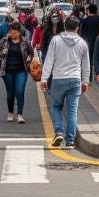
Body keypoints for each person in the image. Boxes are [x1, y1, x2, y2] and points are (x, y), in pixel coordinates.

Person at [41, 15, 91, 149]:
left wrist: (44, 78)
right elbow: (86, 65)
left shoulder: (56, 40)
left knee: (56, 106)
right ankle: (70, 141)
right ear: (78, 27)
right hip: (75, 80)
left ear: (64, 26)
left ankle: (58, 132)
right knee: (72, 111)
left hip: (58, 79)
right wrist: (85, 81)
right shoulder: (82, 43)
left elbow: (49, 60)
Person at [0, 23, 36, 124]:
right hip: (7, 71)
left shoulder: (25, 41)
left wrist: (29, 58)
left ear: (19, 32)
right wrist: (3, 52)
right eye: (11, 32)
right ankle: (10, 113)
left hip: (21, 70)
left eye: (15, 33)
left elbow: (31, 52)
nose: (12, 35)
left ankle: (20, 114)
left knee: (20, 91)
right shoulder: (4, 41)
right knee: (10, 93)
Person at [80, 4, 99, 75]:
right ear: (96, 11)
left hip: (86, 41)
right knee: (96, 56)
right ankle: (96, 72)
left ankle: (88, 74)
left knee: (87, 58)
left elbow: (81, 31)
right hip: (96, 41)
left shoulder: (84, 20)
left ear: (88, 11)